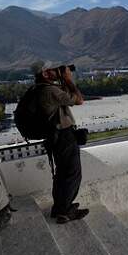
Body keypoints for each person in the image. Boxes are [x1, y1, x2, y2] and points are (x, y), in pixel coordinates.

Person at [34, 64, 89, 224]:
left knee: (61, 174)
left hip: (55, 138)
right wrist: (68, 79)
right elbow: (78, 99)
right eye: (54, 69)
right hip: (64, 137)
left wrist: (63, 80)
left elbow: (65, 96)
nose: (57, 71)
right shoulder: (50, 91)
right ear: (45, 73)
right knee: (72, 174)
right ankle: (64, 212)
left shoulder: (41, 89)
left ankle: (59, 207)